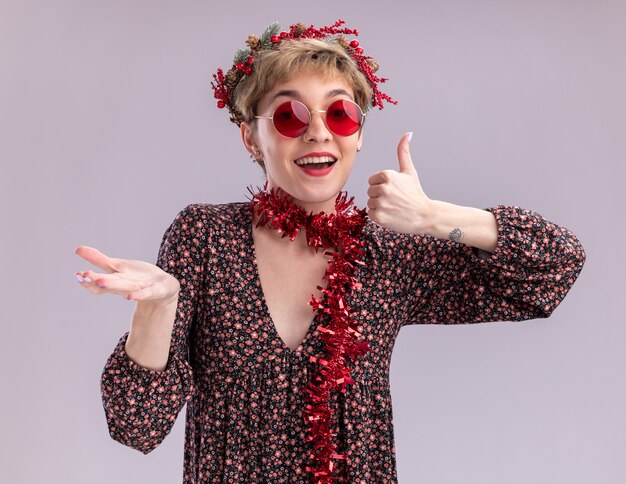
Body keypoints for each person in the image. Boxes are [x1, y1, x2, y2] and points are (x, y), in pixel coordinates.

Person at [74, 19, 586, 483]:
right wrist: (157, 307)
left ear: (358, 134)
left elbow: (555, 267)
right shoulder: (203, 238)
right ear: (252, 138)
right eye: (291, 115)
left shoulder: (389, 254)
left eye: (340, 113)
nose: (318, 130)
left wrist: (434, 218)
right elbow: (135, 426)